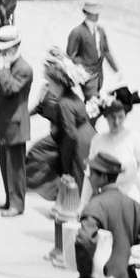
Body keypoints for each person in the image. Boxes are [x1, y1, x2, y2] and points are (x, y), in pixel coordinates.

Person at [74, 152, 140, 278]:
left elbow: (84, 241)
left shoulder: (95, 206)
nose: (89, 177)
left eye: (92, 173)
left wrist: (88, 274)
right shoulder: (135, 207)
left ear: (103, 177)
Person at [26, 51, 94, 202]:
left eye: (50, 83)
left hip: (77, 141)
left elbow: (70, 135)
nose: (48, 87)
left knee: (74, 176)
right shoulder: (71, 96)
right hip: (86, 136)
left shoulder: (64, 103)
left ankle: (72, 204)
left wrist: (65, 162)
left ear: (58, 84)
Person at [84, 90, 140, 207]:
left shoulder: (135, 138)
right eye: (112, 117)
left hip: (130, 201)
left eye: (120, 117)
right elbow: (89, 176)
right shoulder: (98, 141)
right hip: (104, 202)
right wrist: (83, 205)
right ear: (106, 116)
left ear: (126, 115)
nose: (116, 122)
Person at [0, 25, 32, 217]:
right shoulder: (15, 67)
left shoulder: (23, 69)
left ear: (14, 48)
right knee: (5, 164)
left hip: (15, 125)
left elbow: (10, 90)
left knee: (15, 167)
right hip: (4, 125)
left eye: (6, 50)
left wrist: (5, 69)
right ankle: (10, 200)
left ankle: (17, 204)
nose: (3, 54)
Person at [65, 2, 119, 100]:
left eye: (97, 13)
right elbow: (70, 55)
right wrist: (82, 67)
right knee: (93, 100)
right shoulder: (77, 32)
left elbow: (106, 51)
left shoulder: (100, 30)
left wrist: (115, 69)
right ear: (86, 13)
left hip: (99, 73)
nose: (96, 15)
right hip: (86, 74)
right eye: (93, 13)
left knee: (93, 101)